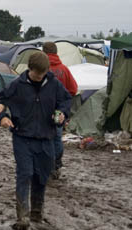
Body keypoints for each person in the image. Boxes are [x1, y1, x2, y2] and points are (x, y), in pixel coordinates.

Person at [0, 52, 71, 230]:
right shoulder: (17, 85)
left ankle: (36, 212)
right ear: (29, 69)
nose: (39, 77)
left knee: (42, 176)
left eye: (42, 74)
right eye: (36, 74)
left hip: (46, 138)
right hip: (22, 138)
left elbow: (66, 100)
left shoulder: (54, 84)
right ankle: (22, 217)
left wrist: (63, 113)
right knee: (24, 174)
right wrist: (2, 117)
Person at [42, 42, 78, 180]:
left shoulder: (41, 69)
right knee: (57, 137)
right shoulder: (63, 69)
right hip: (59, 111)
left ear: (44, 53)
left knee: (45, 138)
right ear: (56, 53)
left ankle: (48, 166)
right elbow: (73, 89)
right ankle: (56, 164)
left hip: (43, 110)